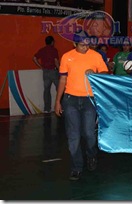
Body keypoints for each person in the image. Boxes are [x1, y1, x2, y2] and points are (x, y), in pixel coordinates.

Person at [54, 30, 108, 181]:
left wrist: (96, 73)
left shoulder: (96, 56)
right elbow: (62, 80)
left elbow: (106, 73)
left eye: (87, 44)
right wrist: (58, 101)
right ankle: (76, 167)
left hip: (89, 100)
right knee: (74, 137)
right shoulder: (67, 57)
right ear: (74, 44)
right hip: (70, 100)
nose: (85, 47)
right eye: (82, 45)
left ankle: (91, 155)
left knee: (89, 134)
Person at [33, 35, 59, 113]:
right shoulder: (54, 50)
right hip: (53, 71)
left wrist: (41, 66)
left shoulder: (42, 50)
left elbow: (34, 58)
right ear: (52, 42)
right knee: (59, 89)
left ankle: (47, 108)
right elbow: (56, 61)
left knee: (46, 91)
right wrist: (59, 69)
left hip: (45, 72)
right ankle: (59, 106)